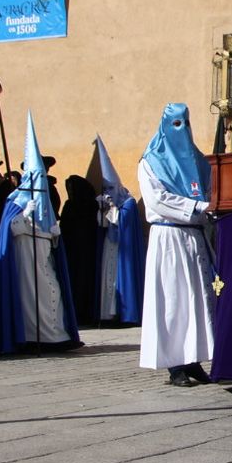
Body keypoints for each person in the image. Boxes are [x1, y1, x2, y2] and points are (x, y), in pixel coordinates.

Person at [0, 115, 81, 354]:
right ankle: (33, 336)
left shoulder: (46, 200)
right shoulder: (15, 201)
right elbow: (10, 229)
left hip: (43, 256)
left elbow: (50, 231)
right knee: (30, 297)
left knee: (51, 290)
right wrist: (24, 216)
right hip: (25, 258)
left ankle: (55, 335)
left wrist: (54, 232)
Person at [138, 103, 216, 387]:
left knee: (196, 299)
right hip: (169, 236)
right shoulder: (150, 162)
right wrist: (198, 206)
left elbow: (209, 190)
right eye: (175, 124)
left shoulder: (197, 160)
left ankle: (194, 359)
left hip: (194, 236)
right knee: (173, 300)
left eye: (185, 122)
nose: (181, 129)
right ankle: (175, 365)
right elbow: (158, 201)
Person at [92, 135, 144, 325]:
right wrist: (103, 210)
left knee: (121, 277)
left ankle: (125, 313)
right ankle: (108, 314)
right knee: (108, 277)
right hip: (110, 244)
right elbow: (103, 225)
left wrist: (114, 209)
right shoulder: (107, 201)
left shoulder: (128, 202)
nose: (108, 191)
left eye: (111, 187)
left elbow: (125, 223)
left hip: (122, 247)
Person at [59, 173, 102, 328]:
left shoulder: (89, 205)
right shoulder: (72, 205)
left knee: (84, 280)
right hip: (74, 251)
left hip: (85, 250)